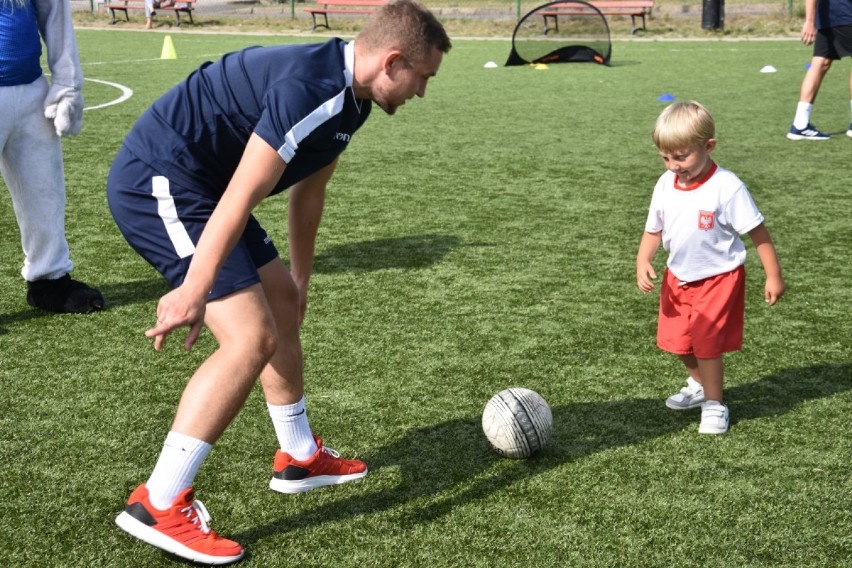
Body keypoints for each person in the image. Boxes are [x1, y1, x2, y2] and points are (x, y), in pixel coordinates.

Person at [106, 0, 451, 564]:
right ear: (392, 62)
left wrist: (300, 278)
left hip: (208, 190)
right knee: (249, 339)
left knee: (280, 308)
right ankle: (158, 503)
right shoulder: (308, 90)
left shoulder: (353, 100)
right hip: (160, 181)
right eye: (422, 78)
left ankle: (298, 458)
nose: (421, 93)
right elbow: (242, 196)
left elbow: (307, 192)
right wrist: (196, 285)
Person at [636, 101, 785, 436]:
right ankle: (700, 383)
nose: (673, 165)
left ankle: (715, 404)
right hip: (677, 277)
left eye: (681, 156)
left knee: (706, 342)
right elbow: (653, 229)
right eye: (665, 157)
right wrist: (643, 259)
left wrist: (773, 275)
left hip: (719, 278)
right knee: (676, 341)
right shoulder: (664, 183)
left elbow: (757, 231)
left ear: (709, 146)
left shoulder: (726, 186)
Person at [0, 0, 104, 314]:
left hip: (31, 91)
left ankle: (50, 278)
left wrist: (67, 85)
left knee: (44, 191)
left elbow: (55, 16)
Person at [787, 0, 852, 140]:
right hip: (845, 14)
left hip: (827, 17)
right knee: (819, 63)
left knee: (820, 62)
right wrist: (809, 21)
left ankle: (800, 124)